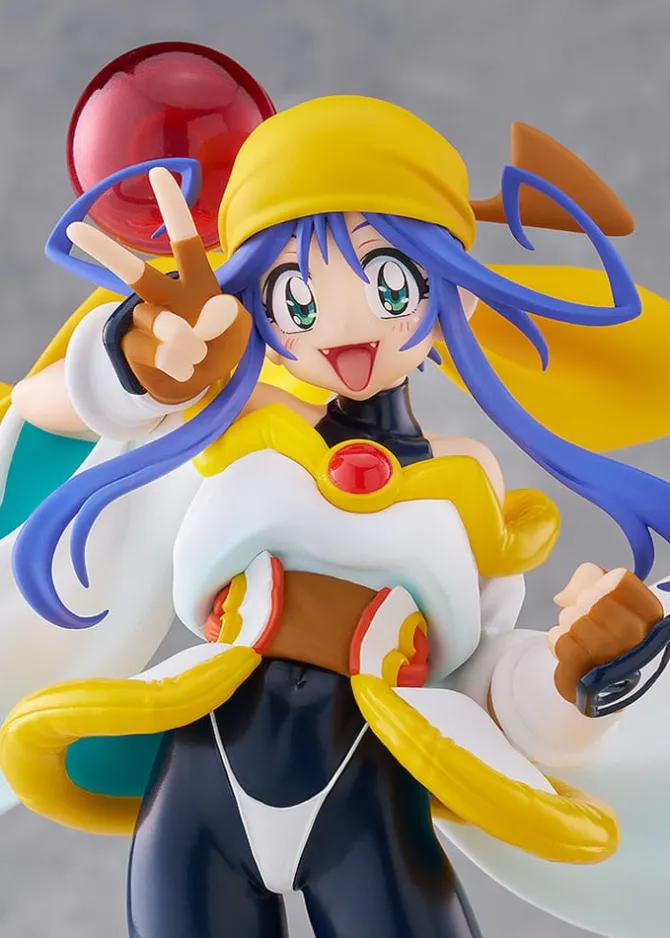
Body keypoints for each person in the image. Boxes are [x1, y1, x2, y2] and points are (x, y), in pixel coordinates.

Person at [2, 94, 670, 938]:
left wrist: (574, 674)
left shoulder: (465, 483)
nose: (346, 332)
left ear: (456, 297)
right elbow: (49, 407)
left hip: (371, 786)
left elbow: (482, 675)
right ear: (255, 306)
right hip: (202, 769)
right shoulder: (240, 423)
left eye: (391, 283)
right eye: (295, 297)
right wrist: (140, 365)